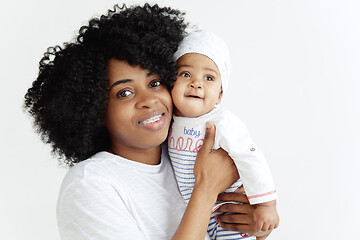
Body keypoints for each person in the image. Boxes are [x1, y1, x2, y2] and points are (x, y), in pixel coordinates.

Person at [24, 4, 273, 240]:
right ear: (95, 110)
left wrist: (253, 227)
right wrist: (206, 188)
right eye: (124, 93)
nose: (149, 100)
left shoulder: (184, 155)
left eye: (155, 83)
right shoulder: (90, 185)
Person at [168, 30, 279, 239]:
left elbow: (250, 156)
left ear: (219, 94)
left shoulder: (222, 122)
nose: (196, 83)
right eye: (185, 74)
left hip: (229, 210)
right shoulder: (167, 121)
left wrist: (266, 204)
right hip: (197, 210)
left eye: (208, 77)